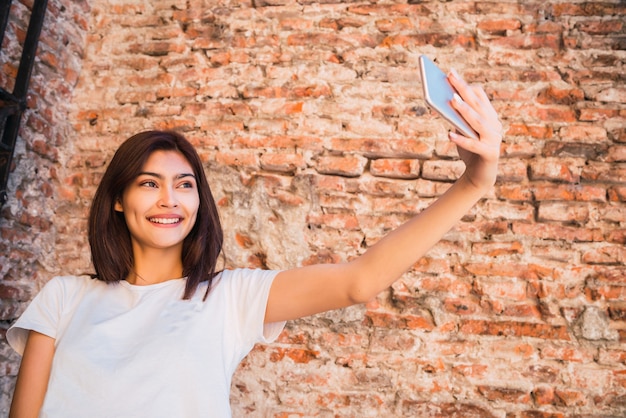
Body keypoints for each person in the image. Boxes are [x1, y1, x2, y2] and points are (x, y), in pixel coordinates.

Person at [7, 69, 502, 417]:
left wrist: (474, 183)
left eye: (184, 184)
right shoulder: (64, 298)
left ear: (199, 201)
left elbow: (359, 281)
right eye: (148, 182)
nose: (169, 199)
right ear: (118, 198)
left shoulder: (228, 297)